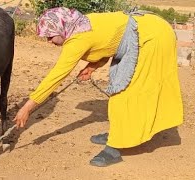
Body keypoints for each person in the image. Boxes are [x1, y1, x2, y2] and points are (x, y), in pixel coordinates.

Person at [13, 7, 183, 167]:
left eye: (50, 36)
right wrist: (91, 67)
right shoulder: (81, 24)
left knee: (126, 94)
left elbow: (56, 76)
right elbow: (109, 43)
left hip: (152, 38)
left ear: (62, 28)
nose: (49, 41)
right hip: (141, 35)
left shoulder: (78, 38)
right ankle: (119, 132)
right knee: (120, 90)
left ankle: (114, 149)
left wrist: (27, 107)